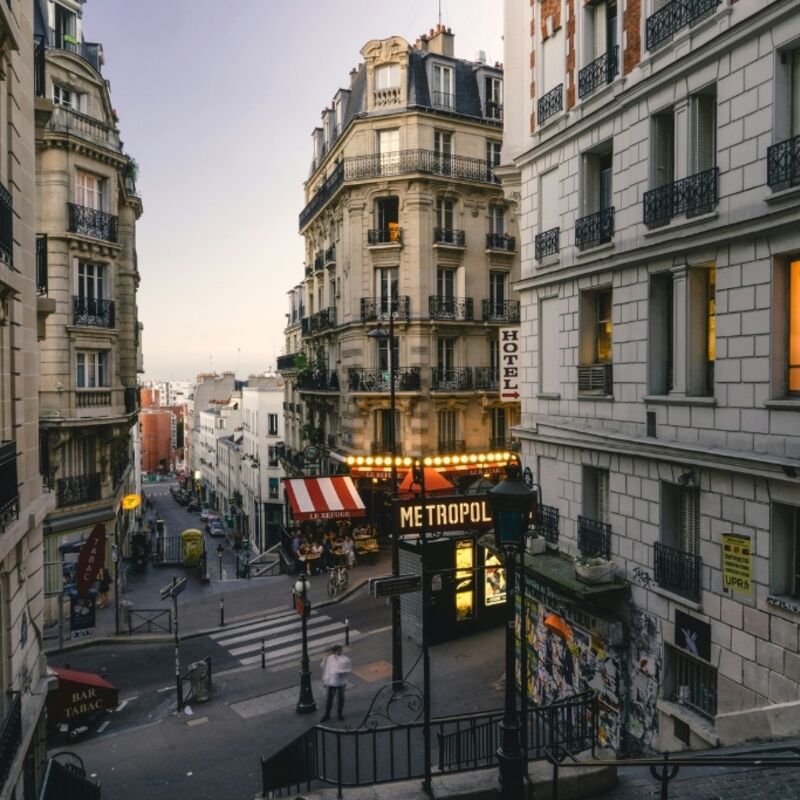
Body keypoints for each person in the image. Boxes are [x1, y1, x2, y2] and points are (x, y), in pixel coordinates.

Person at [320, 644, 351, 722]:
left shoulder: (345, 659)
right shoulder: (330, 658)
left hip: (341, 682)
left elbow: (348, 670)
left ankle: (339, 714)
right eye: (338, 651)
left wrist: (340, 672)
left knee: (340, 699)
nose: (339, 652)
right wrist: (326, 680)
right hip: (332, 682)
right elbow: (326, 669)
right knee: (330, 699)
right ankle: (327, 715)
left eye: (340, 650)